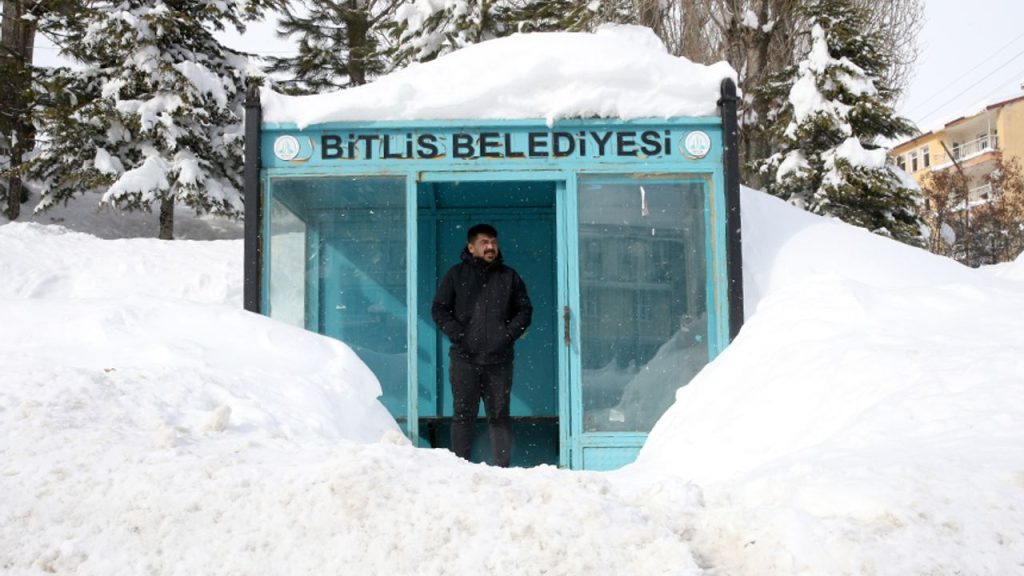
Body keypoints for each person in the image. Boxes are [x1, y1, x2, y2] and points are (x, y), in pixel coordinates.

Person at [431, 223, 532, 467]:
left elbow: (525, 310)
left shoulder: (509, 276)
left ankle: (502, 470)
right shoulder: (456, 275)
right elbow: (439, 309)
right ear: (471, 246)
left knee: (499, 417)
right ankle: (461, 469)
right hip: (464, 358)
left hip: (499, 361)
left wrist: (506, 336)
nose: (490, 247)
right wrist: (459, 335)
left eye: (493, 242)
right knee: (463, 416)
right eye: (484, 242)